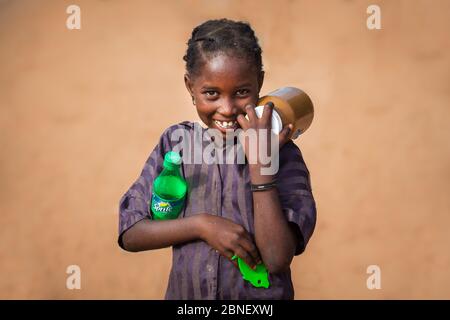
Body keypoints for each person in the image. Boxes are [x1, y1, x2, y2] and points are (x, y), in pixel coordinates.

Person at [118, 18, 317, 300]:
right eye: (211, 93)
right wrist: (202, 225)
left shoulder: (282, 152)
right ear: (190, 87)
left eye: (241, 92)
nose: (226, 108)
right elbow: (131, 233)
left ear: (259, 82)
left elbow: (276, 258)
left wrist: (261, 167)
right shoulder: (177, 144)